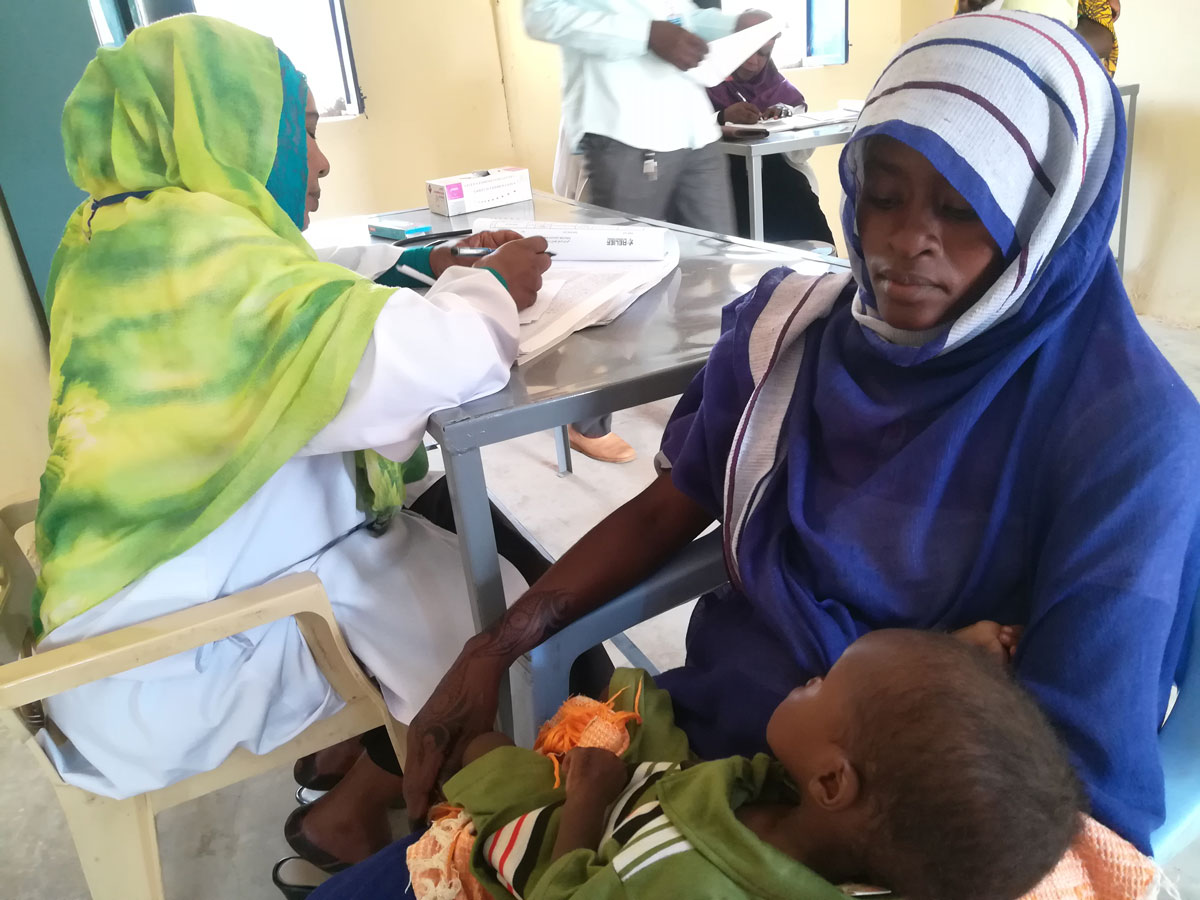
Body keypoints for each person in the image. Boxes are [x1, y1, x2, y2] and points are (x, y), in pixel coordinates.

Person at [405, 11, 1200, 859]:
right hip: (700, 746)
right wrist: (497, 643)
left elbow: (1071, 790)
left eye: (964, 207)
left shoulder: (1127, 436)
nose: (901, 242)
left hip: (886, 834)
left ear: (1046, 218)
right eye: (882, 194)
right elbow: (666, 510)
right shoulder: (796, 338)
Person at [32, 14, 553, 872]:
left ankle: (341, 777)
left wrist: (427, 258)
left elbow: (294, 285)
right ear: (221, 126)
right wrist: (489, 286)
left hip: (135, 610)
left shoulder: (122, 231)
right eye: (297, 129)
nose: (315, 160)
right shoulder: (197, 256)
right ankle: (398, 812)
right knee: (492, 610)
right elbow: (431, 363)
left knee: (451, 531)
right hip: (175, 663)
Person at [314, 629, 1081, 900]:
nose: (808, 679)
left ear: (832, 781)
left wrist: (587, 797)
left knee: (481, 758)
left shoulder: (683, 880)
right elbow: (893, 762)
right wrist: (951, 662)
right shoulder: (843, 833)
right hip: (658, 804)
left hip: (572, 854)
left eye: (824, 682)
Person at [525, 0, 740, 465]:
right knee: (618, 288)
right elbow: (542, 16)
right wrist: (644, 34)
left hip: (693, 127)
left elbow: (680, 18)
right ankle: (586, 420)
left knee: (715, 281)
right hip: (624, 126)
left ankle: (712, 412)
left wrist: (731, 26)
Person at [707, 10, 834, 244]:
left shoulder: (780, 89)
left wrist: (785, 119)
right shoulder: (706, 80)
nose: (753, 62)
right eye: (747, 51)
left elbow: (800, 154)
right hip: (725, 179)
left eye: (763, 55)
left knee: (811, 229)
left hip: (779, 178)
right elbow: (685, 132)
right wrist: (722, 116)